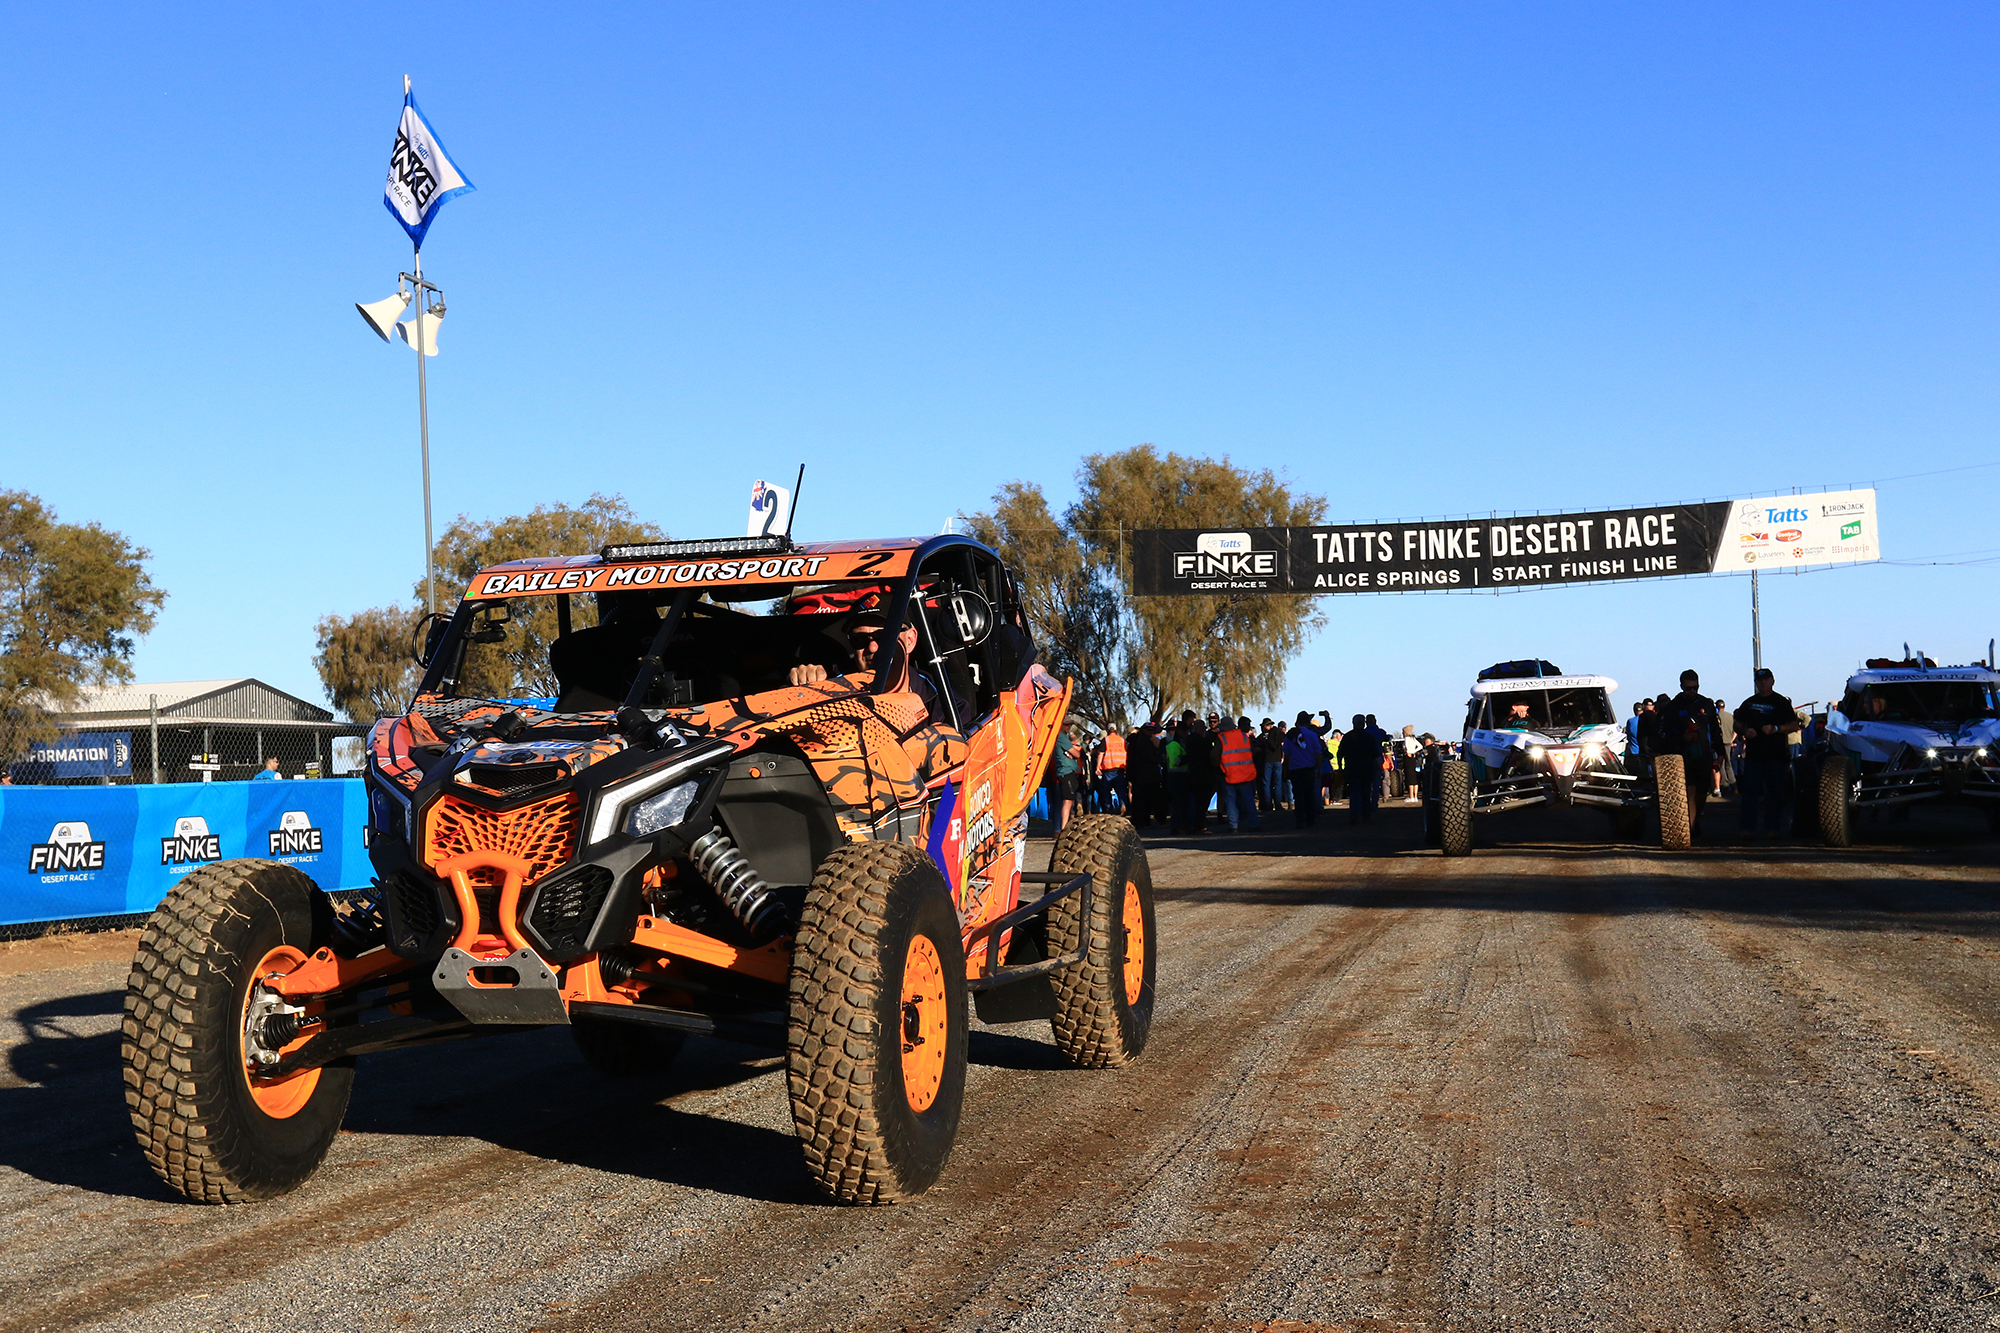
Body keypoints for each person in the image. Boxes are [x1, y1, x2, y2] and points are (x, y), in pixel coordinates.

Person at [789, 602, 965, 727]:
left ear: (910, 640)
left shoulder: (946, 705)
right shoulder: (828, 687)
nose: (872, 647)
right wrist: (801, 689)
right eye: (860, 640)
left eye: (884, 637)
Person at [1735, 668, 1801, 838]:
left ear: (1772, 681)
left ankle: (1773, 828)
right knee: (1750, 795)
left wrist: (1777, 729)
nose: (1763, 683)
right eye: (1759, 680)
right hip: (1754, 757)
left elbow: (1795, 725)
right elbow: (1736, 723)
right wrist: (1744, 730)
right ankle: (1747, 828)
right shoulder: (1749, 703)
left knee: (1776, 795)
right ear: (1756, 683)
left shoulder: (1781, 702)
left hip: (1776, 756)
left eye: (1766, 680)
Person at [1659, 670, 1725, 837]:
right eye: (1688, 688)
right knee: (1689, 790)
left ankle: (1695, 820)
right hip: (1682, 755)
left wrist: (1720, 753)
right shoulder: (1672, 707)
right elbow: (1663, 733)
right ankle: (1690, 826)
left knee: (1702, 791)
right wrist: (1682, 737)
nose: (1692, 691)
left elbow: (1716, 731)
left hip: (1703, 754)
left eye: (1695, 688)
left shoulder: (1707, 705)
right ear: (1682, 686)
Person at [1216, 716, 1262, 832]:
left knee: (1230, 800)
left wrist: (1219, 766)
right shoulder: (1243, 735)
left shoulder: (1221, 738)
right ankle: (1254, 824)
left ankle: (1234, 826)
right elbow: (1252, 750)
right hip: (1245, 773)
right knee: (1249, 799)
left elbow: (1213, 755)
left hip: (1228, 774)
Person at [1283, 710, 1327, 827]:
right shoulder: (1313, 735)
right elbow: (1318, 753)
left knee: (1298, 795)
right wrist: (1320, 768)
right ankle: (1310, 818)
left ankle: (1299, 819)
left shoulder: (1291, 735)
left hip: (1295, 769)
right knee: (1309, 794)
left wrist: (1286, 769)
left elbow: (1287, 754)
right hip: (1309, 768)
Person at [1337, 714, 1380, 824]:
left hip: (1352, 769)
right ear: (1364, 723)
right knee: (1365, 792)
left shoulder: (1348, 737)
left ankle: (1354, 814)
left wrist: (1341, 767)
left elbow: (1340, 753)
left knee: (1354, 792)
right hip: (1366, 769)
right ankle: (1366, 814)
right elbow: (1376, 753)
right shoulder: (1368, 737)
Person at [1127, 723, 1164, 828]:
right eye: (1149, 730)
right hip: (1146, 775)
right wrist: (1159, 758)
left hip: (1143, 775)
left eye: (1152, 730)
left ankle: (1143, 821)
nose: (1151, 732)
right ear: (1143, 730)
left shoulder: (1143, 741)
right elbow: (1149, 757)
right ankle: (1143, 821)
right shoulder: (1143, 742)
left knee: (1143, 800)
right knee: (1146, 799)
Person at [1050, 724, 1082, 830]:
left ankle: (1060, 827)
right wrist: (1073, 753)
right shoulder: (1062, 737)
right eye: (1066, 725)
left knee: (1063, 801)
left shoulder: (1059, 737)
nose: (1068, 727)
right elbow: (1077, 754)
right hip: (1066, 772)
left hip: (1062, 772)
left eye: (1070, 725)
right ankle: (1063, 827)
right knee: (1067, 801)